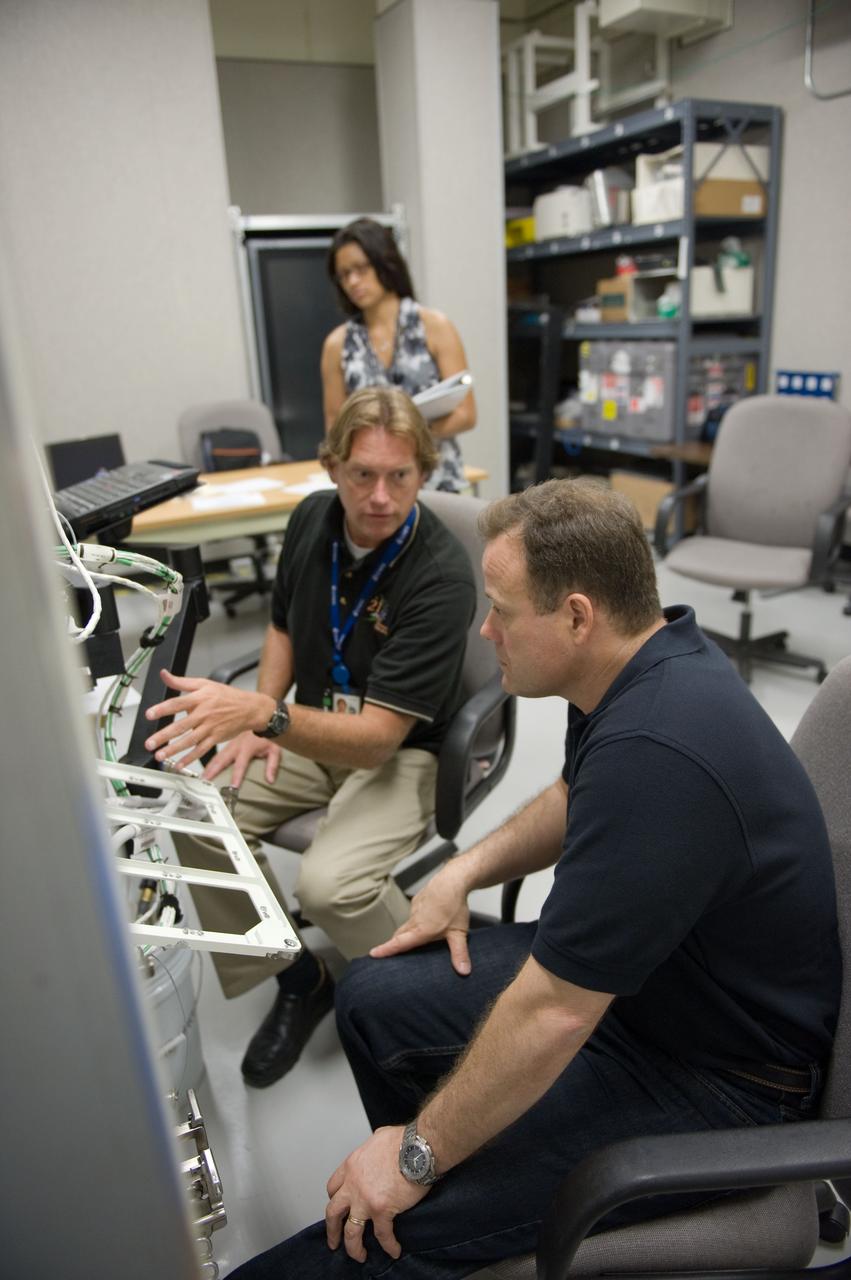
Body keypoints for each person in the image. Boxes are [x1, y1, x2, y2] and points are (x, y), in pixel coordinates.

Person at [224, 478, 840, 1279]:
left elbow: (554, 1011)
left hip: (724, 1075)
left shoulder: (659, 754)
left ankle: (437, 1211)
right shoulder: (639, 661)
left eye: (502, 611)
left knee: (372, 1238)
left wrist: (416, 1158)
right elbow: (568, 792)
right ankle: (470, 1183)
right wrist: (463, 869)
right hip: (647, 993)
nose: (486, 630)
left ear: (576, 615)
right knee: (370, 998)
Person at [144, 386, 476, 1089]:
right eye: (362, 474)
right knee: (193, 813)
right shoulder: (309, 520)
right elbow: (281, 624)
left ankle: (436, 1016)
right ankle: (301, 978)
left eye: (399, 476)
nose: (380, 496)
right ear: (331, 468)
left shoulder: (441, 574)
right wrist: (264, 705)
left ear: (424, 473)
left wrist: (264, 717)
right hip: (310, 724)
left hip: (403, 750)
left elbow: (378, 741)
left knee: (331, 888)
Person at [320, 217, 476, 494]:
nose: (353, 281)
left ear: (384, 264)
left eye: (361, 269)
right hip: (373, 490)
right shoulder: (338, 344)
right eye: (344, 275)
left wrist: (404, 441)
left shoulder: (435, 327)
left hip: (437, 481)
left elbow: (466, 414)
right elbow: (335, 429)